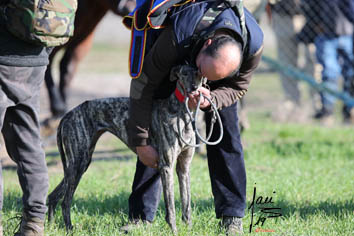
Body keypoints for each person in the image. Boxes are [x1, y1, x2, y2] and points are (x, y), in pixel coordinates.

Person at [123, 0, 264, 234]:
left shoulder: (253, 44)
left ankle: (232, 216)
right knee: (158, 125)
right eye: (201, 71)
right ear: (206, 44)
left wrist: (214, 100)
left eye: (207, 77)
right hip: (181, 53)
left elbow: (238, 88)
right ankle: (141, 216)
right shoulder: (178, 36)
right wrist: (141, 142)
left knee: (226, 132)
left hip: (216, 74)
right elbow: (143, 86)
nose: (201, 80)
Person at [0, 1, 76, 235]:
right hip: (37, 54)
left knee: (27, 139)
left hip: (4, 53)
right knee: (28, 140)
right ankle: (34, 222)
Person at [308, 0, 354, 124]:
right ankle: (328, 111)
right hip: (327, 33)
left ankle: (349, 109)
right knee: (330, 73)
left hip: (349, 33)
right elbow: (311, 6)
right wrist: (316, 23)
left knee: (350, 73)